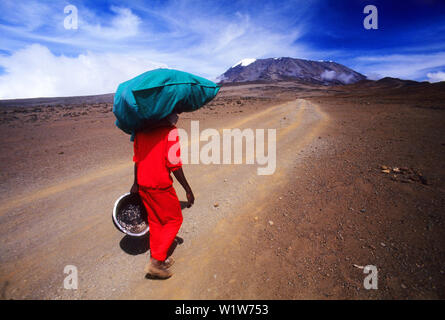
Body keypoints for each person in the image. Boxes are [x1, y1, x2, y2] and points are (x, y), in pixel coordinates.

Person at [130, 112, 194, 279]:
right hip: (160, 184)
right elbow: (173, 164)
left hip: (143, 183)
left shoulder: (139, 131)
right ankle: (156, 262)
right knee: (174, 219)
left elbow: (137, 159)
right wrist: (187, 189)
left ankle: (159, 257)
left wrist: (136, 183)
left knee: (155, 221)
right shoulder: (170, 132)